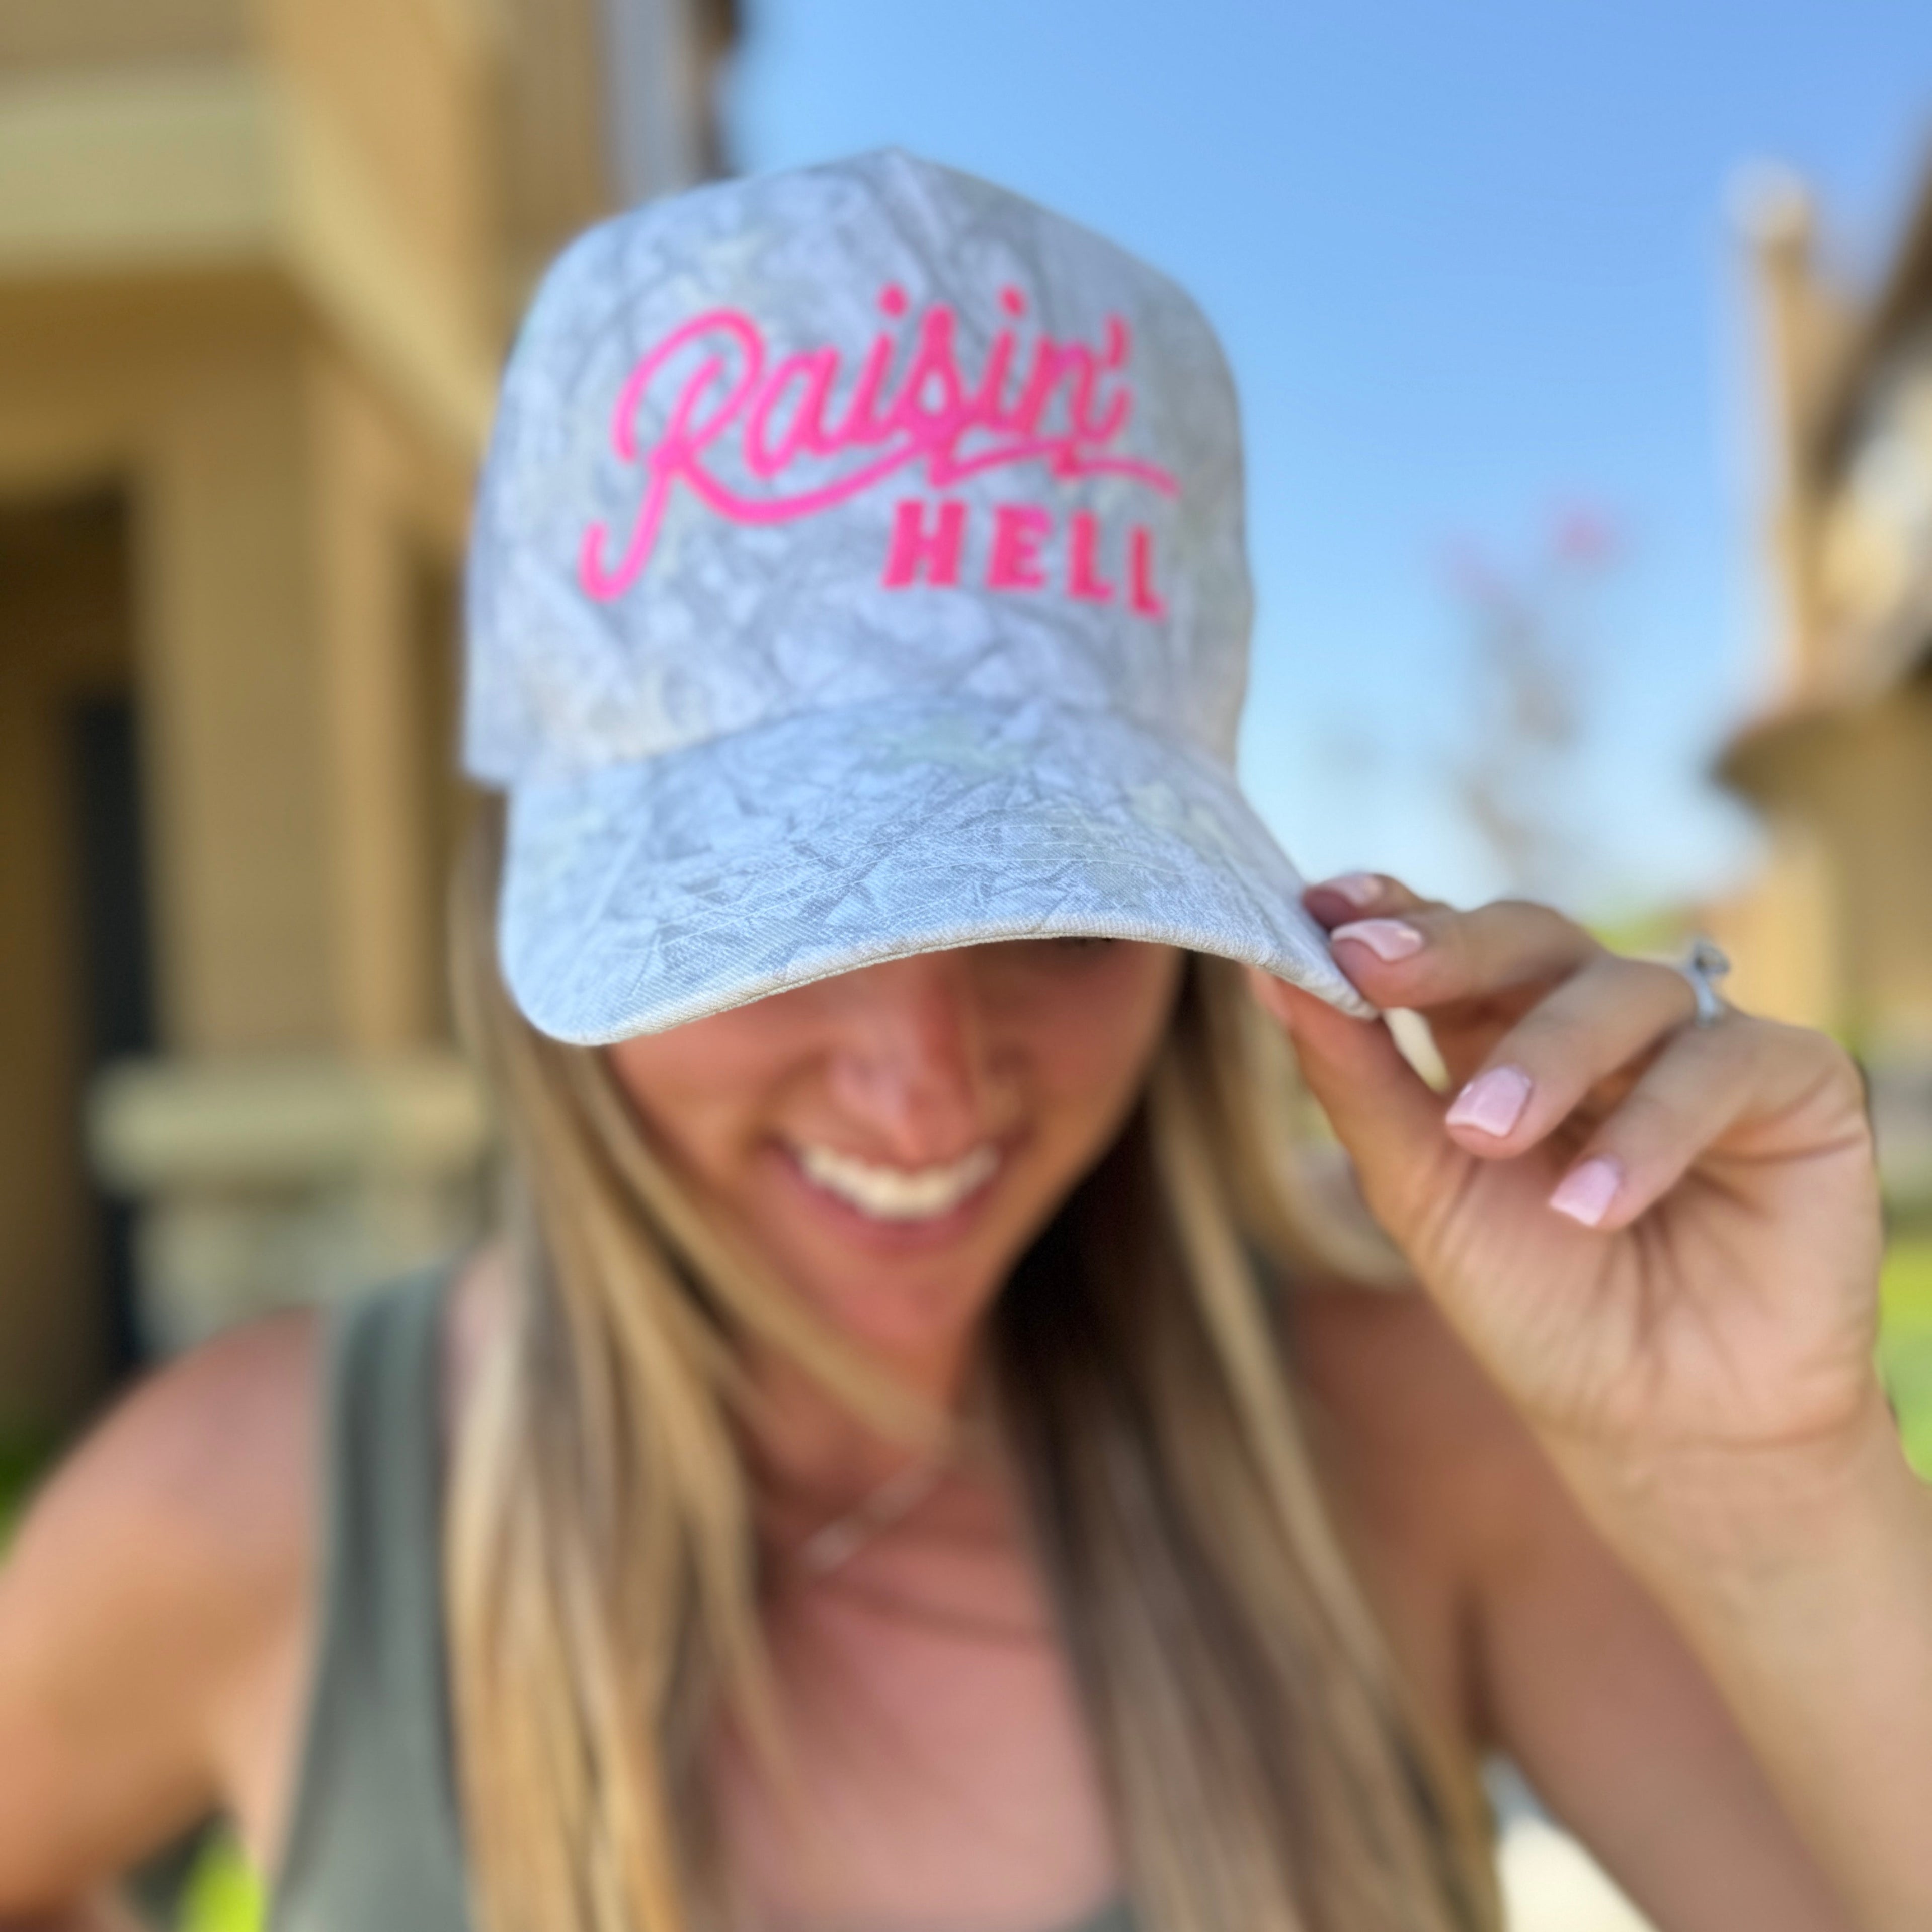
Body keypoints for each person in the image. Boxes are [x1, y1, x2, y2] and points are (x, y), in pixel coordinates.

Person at [0, 149, 1926, 1932]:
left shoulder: (1408, 1438)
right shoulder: (260, 1505)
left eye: (1061, 921)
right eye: (766, 917)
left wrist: (1772, 1488)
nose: (925, 1088)